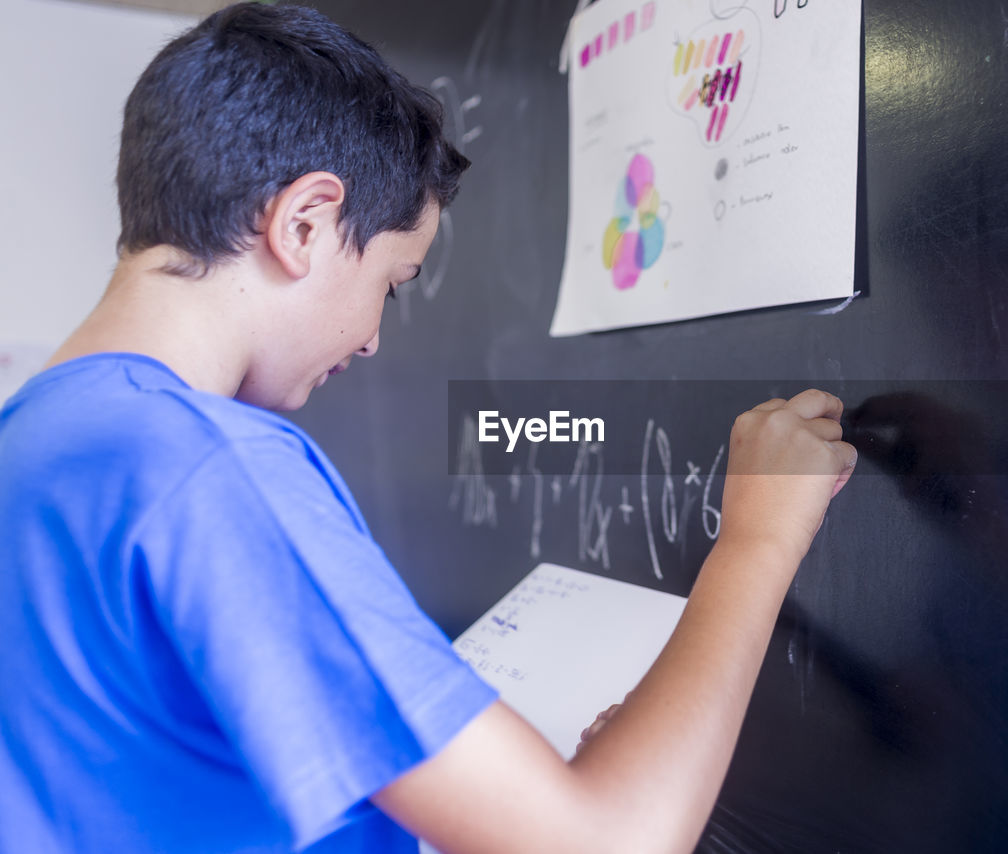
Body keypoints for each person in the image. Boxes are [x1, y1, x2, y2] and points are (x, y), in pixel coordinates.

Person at [0, 4, 856, 852]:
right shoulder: (210, 474)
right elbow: (605, 841)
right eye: (392, 281)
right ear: (304, 224)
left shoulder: (34, 433)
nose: (374, 337)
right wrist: (757, 539)